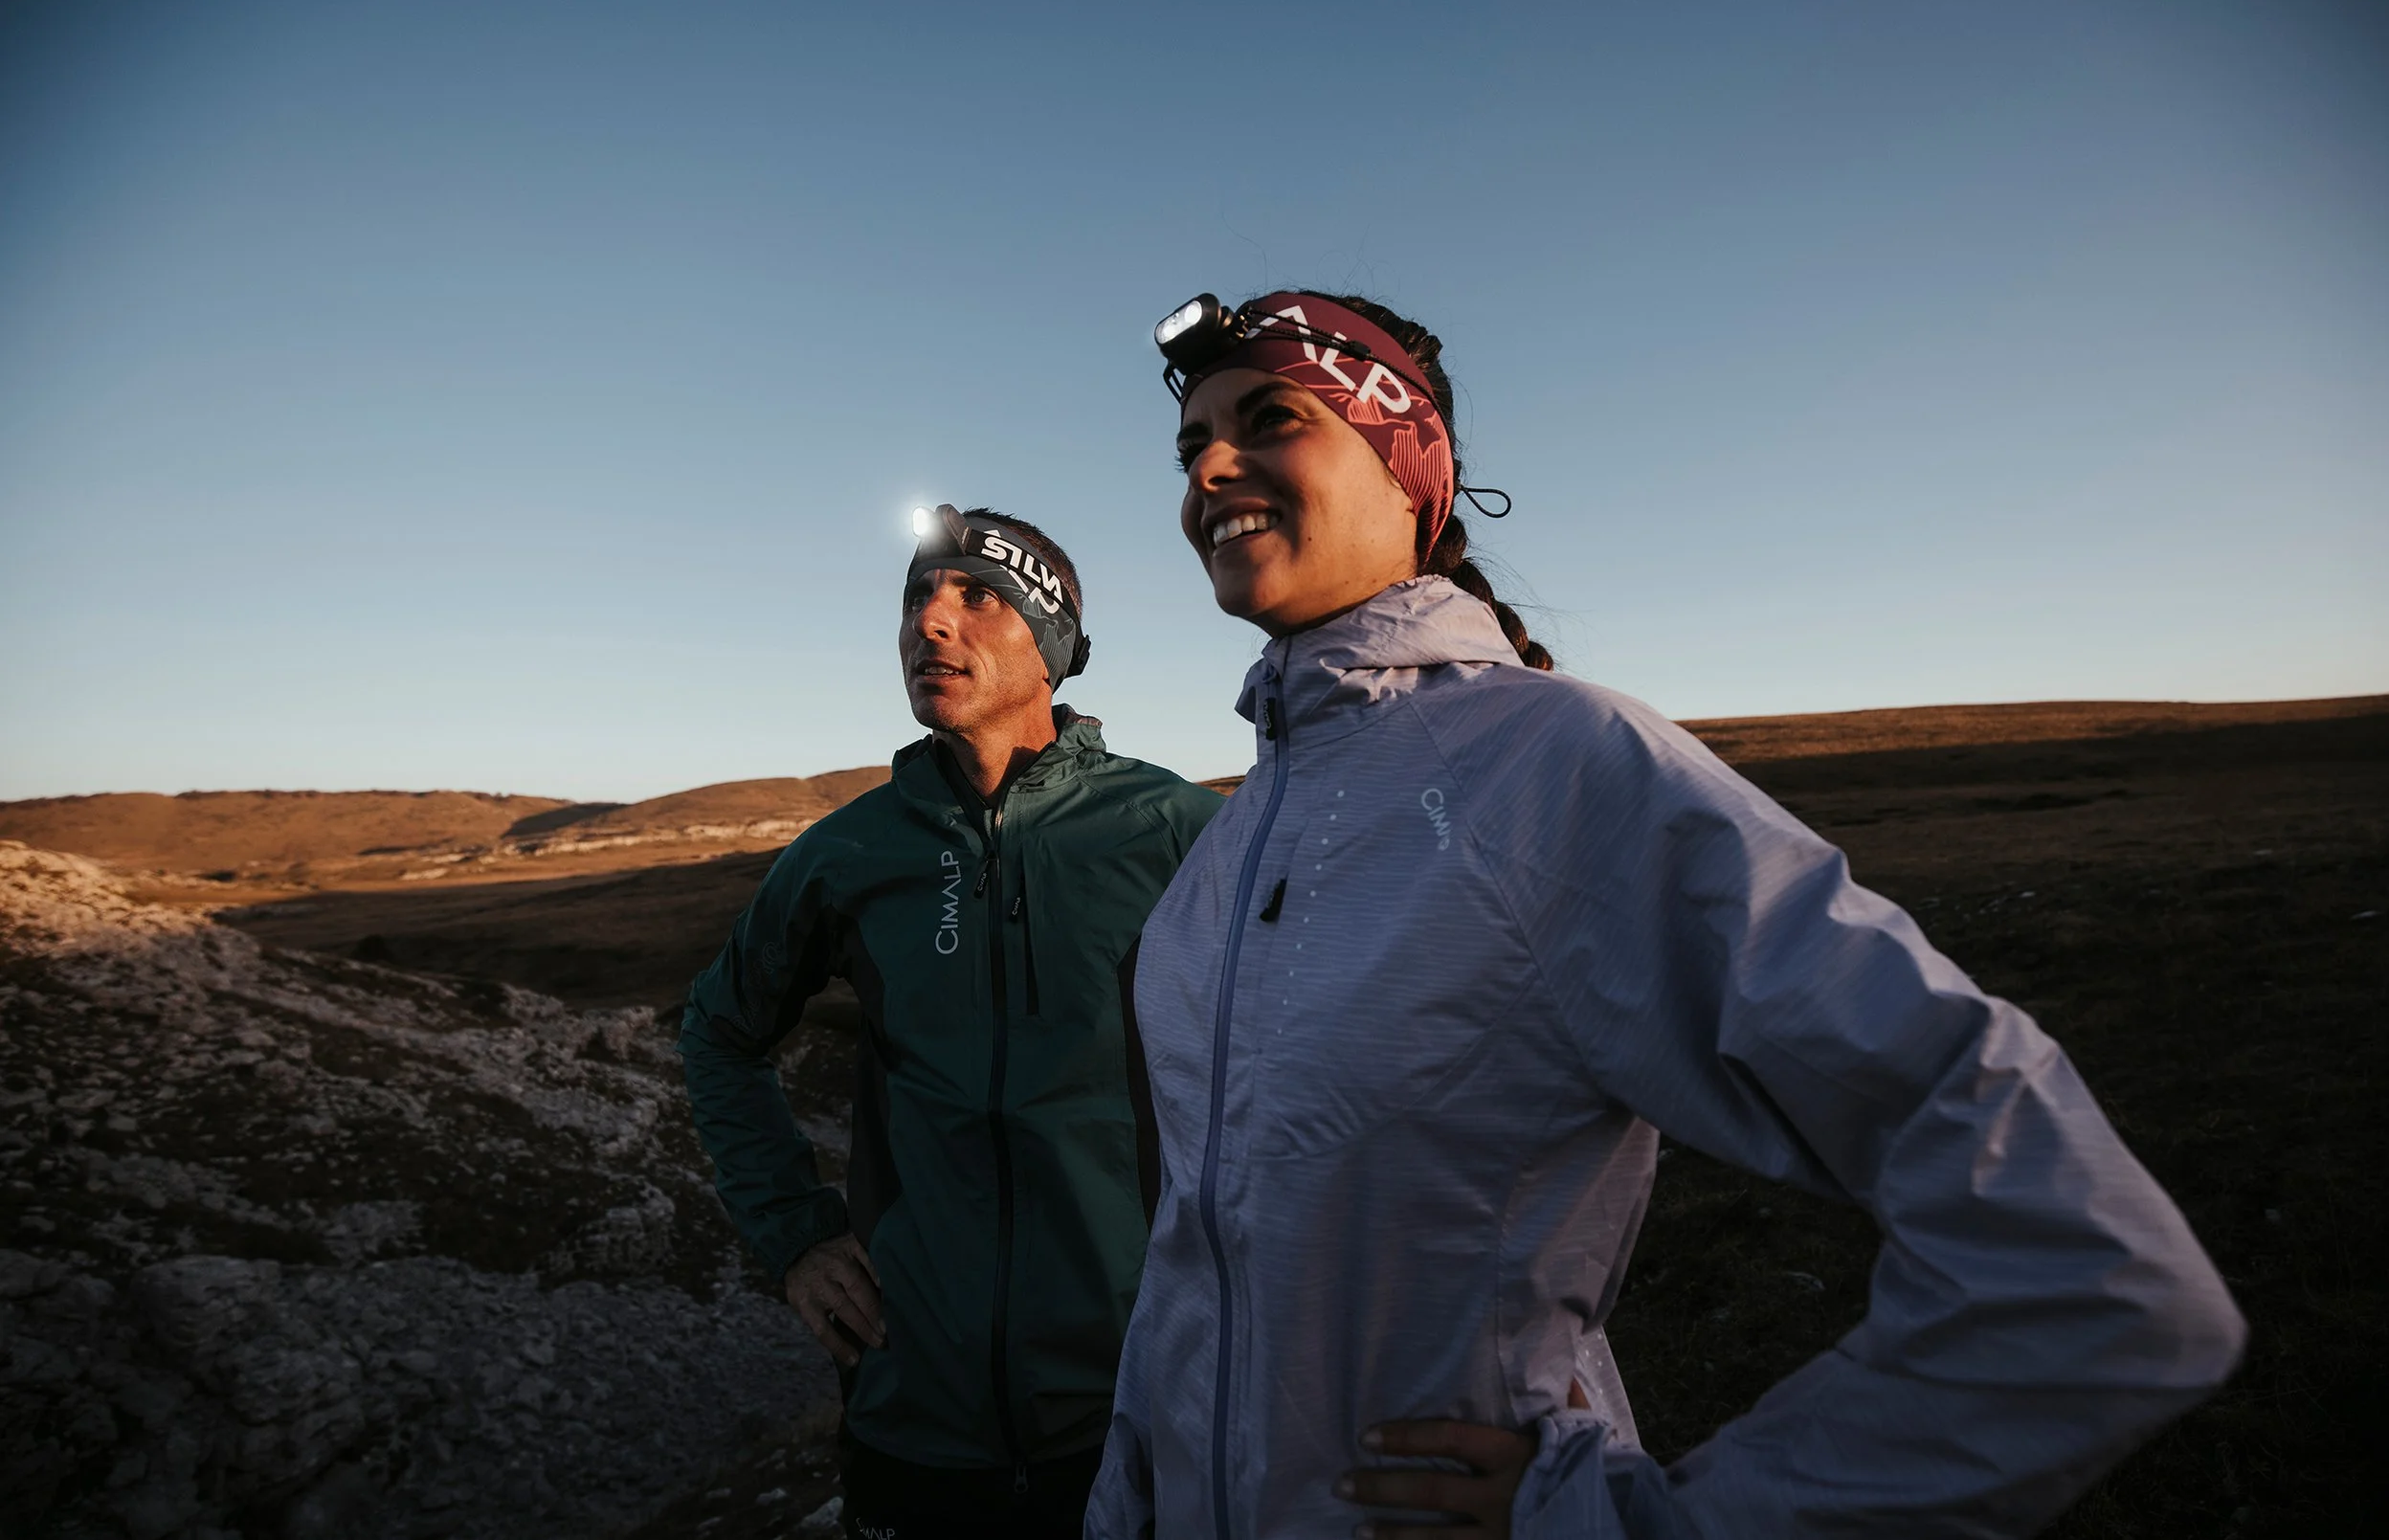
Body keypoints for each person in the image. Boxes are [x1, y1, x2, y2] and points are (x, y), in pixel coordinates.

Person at [1086, 292, 2246, 1538]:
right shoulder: (1222, 856)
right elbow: (1192, 1257)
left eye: (1270, 416)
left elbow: (2090, 1264)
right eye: (1189, 444)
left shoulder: (1555, 770)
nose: (1210, 466)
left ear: (1406, 460)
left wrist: (1658, 1522)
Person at [681, 504, 1222, 1539]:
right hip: (910, 1415)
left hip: (1135, 1401)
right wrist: (795, 1233)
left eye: (977, 595)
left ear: (1051, 640)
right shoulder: (848, 852)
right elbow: (719, 1030)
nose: (932, 621)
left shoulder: (1178, 833)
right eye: (916, 598)